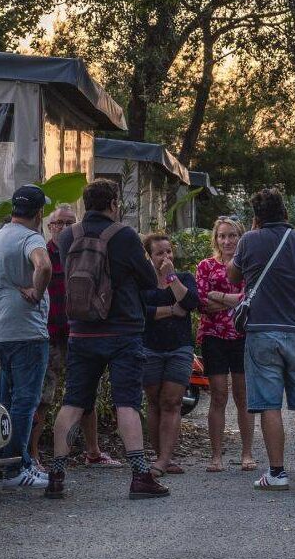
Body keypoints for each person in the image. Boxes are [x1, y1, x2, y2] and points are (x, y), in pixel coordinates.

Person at [45, 178, 168, 500]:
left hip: (81, 331)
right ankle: (141, 476)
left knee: (73, 401)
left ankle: (56, 474)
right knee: (126, 402)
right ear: (114, 203)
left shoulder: (67, 235)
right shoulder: (123, 235)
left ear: (86, 204)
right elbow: (148, 281)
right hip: (122, 331)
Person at [228, 187, 295, 491]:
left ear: (256, 217)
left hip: (262, 331)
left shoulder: (250, 240)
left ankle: (277, 473)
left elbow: (233, 276)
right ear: (286, 212)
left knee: (269, 404)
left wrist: (252, 234)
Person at [29, 204, 121, 472]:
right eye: (60, 223)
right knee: (43, 397)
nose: (66, 228)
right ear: (50, 226)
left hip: (79, 335)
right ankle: (33, 455)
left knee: (85, 394)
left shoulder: (84, 253)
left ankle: (93, 452)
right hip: (49, 336)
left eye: (71, 222)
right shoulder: (41, 255)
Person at [0, 185, 53, 489]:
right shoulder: (31, 237)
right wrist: (37, 292)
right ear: (39, 213)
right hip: (27, 331)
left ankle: (3, 462)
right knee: (26, 400)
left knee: (7, 399)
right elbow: (44, 265)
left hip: (0, 330)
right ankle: (18, 467)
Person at [196, 217, 255, 472]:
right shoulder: (205, 266)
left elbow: (249, 298)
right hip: (213, 336)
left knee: (243, 396)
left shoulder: (248, 265)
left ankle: (247, 453)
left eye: (232, 235)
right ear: (215, 239)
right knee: (218, 395)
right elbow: (201, 302)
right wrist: (232, 300)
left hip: (242, 335)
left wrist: (218, 296)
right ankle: (216, 456)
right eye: (222, 236)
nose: (227, 240)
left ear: (240, 237)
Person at [142, 233, 200, 477]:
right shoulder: (142, 280)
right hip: (150, 348)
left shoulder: (184, 277)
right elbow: (141, 311)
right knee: (154, 402)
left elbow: (190, 303)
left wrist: (172, 278)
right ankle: (160, 457)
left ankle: (164, 459)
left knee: (172, 402)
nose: (165, 257)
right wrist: (170, 310)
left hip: (179, 348)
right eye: (159, 253)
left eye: (168, 252)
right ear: (149, 256)